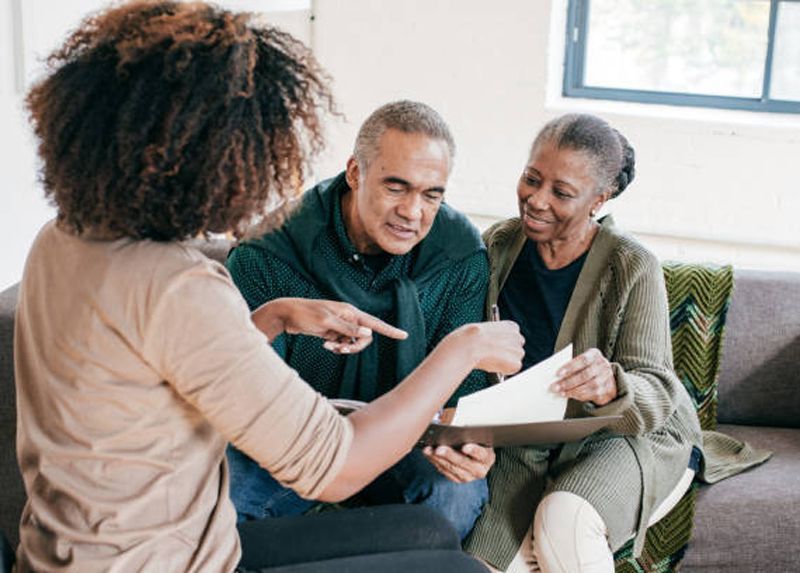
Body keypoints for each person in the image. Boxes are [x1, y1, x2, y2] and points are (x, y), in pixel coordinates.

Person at [14, 2, 524, 571]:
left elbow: (173, 365)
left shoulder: (61, 239)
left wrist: (273, 317)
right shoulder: (181, 289)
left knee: (427, 531)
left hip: (73, 551)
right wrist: (463, 348)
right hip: (171, 561)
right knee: (459, 568)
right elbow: (338, 467)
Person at [225, 100, 497, 539]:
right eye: (396, 187)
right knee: (225, 496)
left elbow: (462, 397)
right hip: (294, 442)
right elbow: (246, 396)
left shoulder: (459, 253)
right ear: (355, 172)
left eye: (431, 195)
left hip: (407, 443)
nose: (413, 212)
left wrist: (468, 448)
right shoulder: (269, 253)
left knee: (456, 493)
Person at [464, 114, 704, 573]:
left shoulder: (632, 265)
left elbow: (657, 389)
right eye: (532, 178)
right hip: (528, 443)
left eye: (561, 192)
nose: (536, 200)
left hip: (628, 434)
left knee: (564, 522)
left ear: (599, 198)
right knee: (480, 564)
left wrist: (611, 385)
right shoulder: (498, 245)